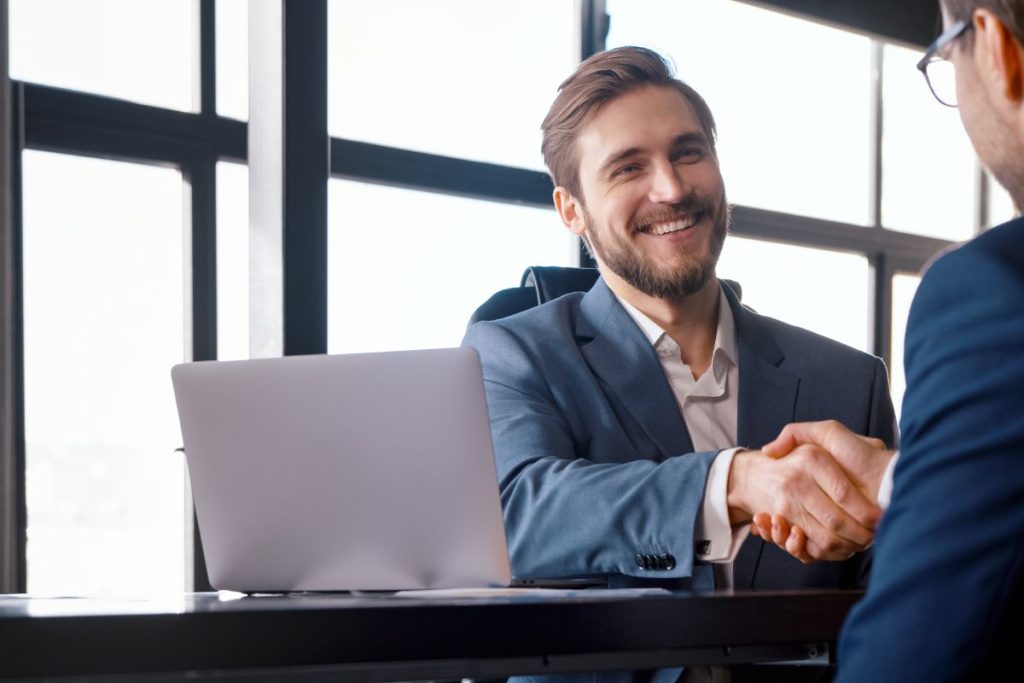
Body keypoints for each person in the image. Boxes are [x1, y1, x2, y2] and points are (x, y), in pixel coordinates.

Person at [462, 45, 896, 601]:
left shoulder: (848, 380)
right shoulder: (513, 353)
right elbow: (512, 516)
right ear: (571, 210)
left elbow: (901, 594)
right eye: (628, 168)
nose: (671, 189)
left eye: (688, 153)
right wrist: (732, 482)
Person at [749, 1, 1024, 679]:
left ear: (993, 46)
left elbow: (914, 656)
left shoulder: (992, 290)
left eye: (946, 54)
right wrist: (908, 479)